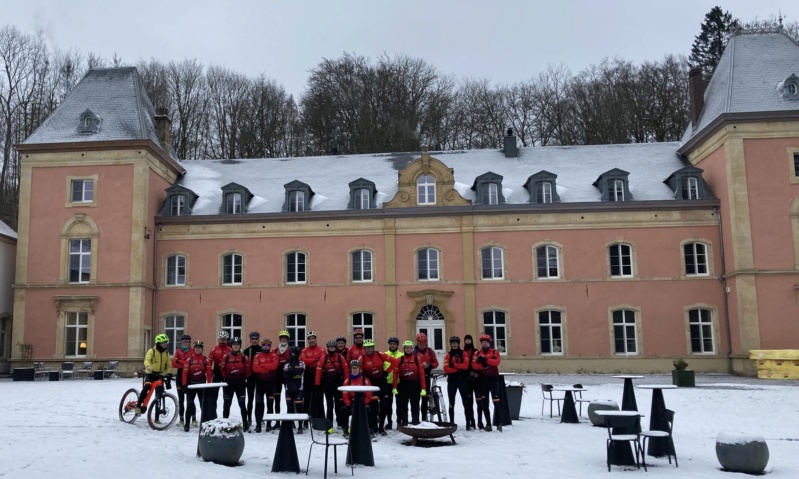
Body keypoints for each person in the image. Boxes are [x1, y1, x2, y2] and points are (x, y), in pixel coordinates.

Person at [359, 339, 397, 435]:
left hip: (381, 382)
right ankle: (374, 425)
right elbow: (359, 371)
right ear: (364, 349)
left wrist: (387, 371)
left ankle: (381, 427)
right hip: (370, 384)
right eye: (367, 348)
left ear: (373, 347)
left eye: (371, 347)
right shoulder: (362, 358)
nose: (369, 350)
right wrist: (363, 377)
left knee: (384, 405)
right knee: (373, 405)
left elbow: (395, 362)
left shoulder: (380, 354)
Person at [472, 333, 502, 432]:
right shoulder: (477, 353)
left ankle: (499, 423)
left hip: (494, 380)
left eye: (486, 342)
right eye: (482, 342)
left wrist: (485, 360)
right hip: (483, 381)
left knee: (496, 402)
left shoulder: (494, 352)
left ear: (489, 343)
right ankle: (488, 424)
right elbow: (474, 365)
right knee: (485, 403)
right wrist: (484, 366)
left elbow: (496, 362)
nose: (484, 344)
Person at [135, 334, 171, 416]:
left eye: (166, 343)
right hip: (150, 374)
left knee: (159, 395)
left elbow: (169, 365)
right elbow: (146, 360)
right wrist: (148, 366)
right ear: (158, 343)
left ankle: (157, 416)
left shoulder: (166, 353)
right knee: (146, 387)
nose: (165, 345)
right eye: (163, 343)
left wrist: (169, 373)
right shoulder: (152, 351)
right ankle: (138, 406)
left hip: (160, 375)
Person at [315, 339, 349, 428]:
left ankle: (339, 422)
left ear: (336, 348)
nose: (332, 349)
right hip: (327, 385)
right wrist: (317, 385)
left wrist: (346, 384)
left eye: (333, 347)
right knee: (329, 405)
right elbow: (318, 372)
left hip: (338, 384)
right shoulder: (324, 358)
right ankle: (329, 424)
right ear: (327, 348)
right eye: (330, 347)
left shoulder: (340, 358)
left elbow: (346, 371)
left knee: (339, 404)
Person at [392, 340, 427, 425]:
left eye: (409, 348)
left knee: (415, 404)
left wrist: (423, 388)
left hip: (415, 384)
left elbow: (421, 374)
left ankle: (415, 421)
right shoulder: (399, 359)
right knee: (403, 405)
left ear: (412, 349)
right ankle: (404, 422)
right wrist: (394, 387)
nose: (408, 349)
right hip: (403, 385)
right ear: (404, 349)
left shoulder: (417, 359)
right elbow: (395, 374)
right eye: (406, 348)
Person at [443, 336, 474, 429]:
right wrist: (456, 370)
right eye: (452, 343)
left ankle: (468, 422)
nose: (454, 345)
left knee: (466, 403)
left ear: (458, 344)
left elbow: (466, 366)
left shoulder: (463, 353)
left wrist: (455, 365)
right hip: (452, 381)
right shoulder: (448, 355)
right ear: (450, 344)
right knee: (451, 402)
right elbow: (446, 369)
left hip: (463, 381)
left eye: (456, 343)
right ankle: (451, 422)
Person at [182, 340, 212, 432]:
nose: (198, 349)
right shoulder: (189, 360)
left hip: (201, 385)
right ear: (194, 349)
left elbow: (209, 373)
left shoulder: (205, 360)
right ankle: (187, 424)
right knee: (189, 405)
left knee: (203, 405)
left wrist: (209, 384)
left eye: (200, 348)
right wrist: (184, 385)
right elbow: (185, 373)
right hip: (191, 385)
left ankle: (204, 425)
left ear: (202, 349)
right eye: (196, 348)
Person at [220, 337, 250, 429]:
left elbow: (248, 371)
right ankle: (225, 423)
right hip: (229, 384)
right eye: (234, 345)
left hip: (240, 384)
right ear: (231, 346)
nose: (236, 346)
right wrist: (227, 378)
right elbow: (222, 369)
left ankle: (245, 424)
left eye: (237, 345)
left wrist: (242, 379)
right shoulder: (226, 357)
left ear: (240, 346)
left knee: (242, 405)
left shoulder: (245, 357)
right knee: (226, 405)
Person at [252, 338, 280, 432]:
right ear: (262, 345)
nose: (265, 347)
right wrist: (268, 367)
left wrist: (262, 366)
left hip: (271, 384)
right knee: (259, 405)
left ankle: (268, 425)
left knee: (270, 405)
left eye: (267, 345)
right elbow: (255, 369)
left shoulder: (274, 355)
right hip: (259, 384)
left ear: (270, 346)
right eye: (264, 345)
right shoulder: (257, 356)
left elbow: (275, 366)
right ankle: (258, 425)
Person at [340, 360, 373, 438]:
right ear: (350, 369)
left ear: (359, 369)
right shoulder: (347, 381)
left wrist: (362, 404)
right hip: (351, 403)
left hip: (363, 403)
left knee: (370, 410)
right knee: (343, 410)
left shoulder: (365, 381)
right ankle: (345, 431)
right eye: (353, 368)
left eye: (356, 368)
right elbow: (345, 396)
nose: (355, 370)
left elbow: (369, 396)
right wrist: (350, 405)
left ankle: (371, 431)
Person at [299, 331, 325, 423]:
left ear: (316, 339)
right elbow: (303, 361)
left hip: (318, 375)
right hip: (307, 375)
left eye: (313, 338)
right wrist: (315, 359)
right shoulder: (304, 350)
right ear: (307, 340)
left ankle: (319, 417)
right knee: (307, 398)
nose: (311, 340)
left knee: (318, 397)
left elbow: (321, 362)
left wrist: (311, 361)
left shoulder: (321, 350)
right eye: (309, 339)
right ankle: (305, 419)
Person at [414, 332, 439, 421]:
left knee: (425, 399)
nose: (422, 346)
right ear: (417, 343)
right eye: (420, 344)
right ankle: (415, 419)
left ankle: (424, 419)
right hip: (416, 377)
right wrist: (419, 365)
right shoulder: (414, 351)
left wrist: (430, 365)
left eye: (424, 344)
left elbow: (436, 363)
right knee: (416, 400)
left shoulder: (430, 351)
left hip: (426, 376)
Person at [283, 346, 306, 433]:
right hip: (288, 389)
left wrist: (290, 371)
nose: (291, 355)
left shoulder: (301, 363)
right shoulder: (286, 364)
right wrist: (293, 371)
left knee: (299, 408)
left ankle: (300, 426)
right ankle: (291, 425)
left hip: (299, 389)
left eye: (293, 354)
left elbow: (299, 372)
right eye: (290, 354)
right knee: (289, 408)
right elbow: (285, 375)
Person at [171, 334, 192, 426]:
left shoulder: (192, 351)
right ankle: (181, 419)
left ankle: (193, 417)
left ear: (189, 343)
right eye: (183, 342)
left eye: (186, 342)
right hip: (179, 376)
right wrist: (185, 364)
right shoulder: (178, 351)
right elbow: (173, 364)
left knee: (190, 399)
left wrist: (180, 361)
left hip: (189, 376)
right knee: (181, 399)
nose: (185, 343)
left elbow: (192, 363)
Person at [242, 331, 262, 428]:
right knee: (250, 400)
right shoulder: (246, 351)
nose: (254, 340)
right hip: (250, 378)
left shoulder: (262, 350)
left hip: (260, 378)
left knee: (259, 400)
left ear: (258, 339)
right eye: (252, 339)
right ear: (250, 340)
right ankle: (249, 418)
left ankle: (260, 418)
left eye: (256, 339)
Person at [382, 337, 403, 430]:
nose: (392, 345)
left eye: (394, 344)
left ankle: (399, 422)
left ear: (397, 345)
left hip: (399, 383)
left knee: (400, 404)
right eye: (391, 344)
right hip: (387, 383)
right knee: (387, 404)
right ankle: (389, 422)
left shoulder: (402, 355)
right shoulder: (384, 355)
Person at [272, 330, 291, 422]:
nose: (283, 340)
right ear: (279, 339)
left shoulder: (290, 349)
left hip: (288, 376)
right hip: (277, 377)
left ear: (288, 339)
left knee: (289, 398)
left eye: (285, 338)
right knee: (277, 398)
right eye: (282, 338)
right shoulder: (275, 350)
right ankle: (277, 420)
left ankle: (290, 420)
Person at [462, 334, 481, 429]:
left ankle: (480, 422)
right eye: (466, 340)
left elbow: (479, 363)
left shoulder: (476, 351)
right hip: (466, 379)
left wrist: (476, 372)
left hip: (476, 378)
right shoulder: (463, 352)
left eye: (469, 340)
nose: (468, 342)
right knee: (469, 402)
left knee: (479, 401)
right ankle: (470, 421)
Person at [209, 331, 231, 409]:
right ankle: (213, 414)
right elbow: (209, 363)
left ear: (226, 340)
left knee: (227, 397)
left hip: (226, 375)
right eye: (221, 339)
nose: (222, 341)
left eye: (224, 339)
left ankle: (225, 416)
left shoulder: (230, 349)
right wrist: (210, 373)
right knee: (214, 396)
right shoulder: (213, 350)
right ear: (218, 339)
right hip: (216, 375)